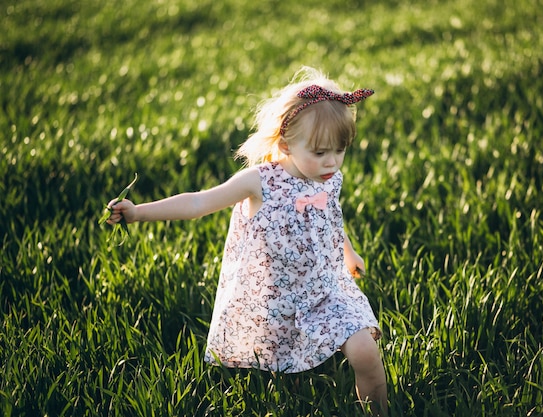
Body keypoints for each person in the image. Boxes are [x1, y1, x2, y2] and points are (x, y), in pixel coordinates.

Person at [106, 67, 388, 415]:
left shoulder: (329, 177)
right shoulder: (260, 181)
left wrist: (348, 251)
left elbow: (330, 216)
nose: (332, 161)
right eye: (320, 152)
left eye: (340, 150)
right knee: (284, 366)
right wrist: (138, 212)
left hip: (325, 288)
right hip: (277, 295)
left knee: (364, 350)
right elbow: (198, 202)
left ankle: (381, 411)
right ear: (285, 144)